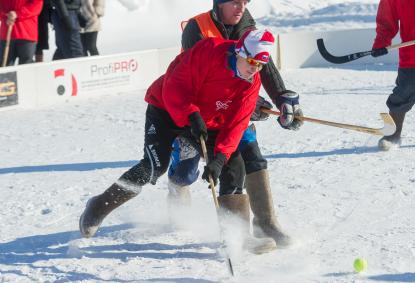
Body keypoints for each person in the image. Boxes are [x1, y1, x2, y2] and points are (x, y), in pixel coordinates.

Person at [79, 29, 278, 254]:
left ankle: (237, 235)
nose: (254, 68)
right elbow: (175, 84)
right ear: (239, 52)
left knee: (233, 165)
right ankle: (99, 205)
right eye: (251, 61)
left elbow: (236, 124)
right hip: (167, 106)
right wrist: (191, 114)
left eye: (260, 65)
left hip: (208, 121)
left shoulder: (251, 82)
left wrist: (219, 158)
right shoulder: (210, 51)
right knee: (154, 166)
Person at [167, 0, 302, 248]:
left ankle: (263, 225)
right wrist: (250, 103)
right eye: (235, 2)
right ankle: (177, 184)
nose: (241, 7)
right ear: (219, 3)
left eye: (245, 2)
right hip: (200, 113)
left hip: (233, 112)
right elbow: (198, 78)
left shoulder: (246, 23)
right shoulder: (197, 28)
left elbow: (263, 63)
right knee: (187, 171)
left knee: (252, 157)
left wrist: (281, 96)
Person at [372, 0, 415, 151]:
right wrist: (381, 42)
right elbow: (386, 18)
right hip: (413, 50)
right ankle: (393, 134)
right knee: (404, 91)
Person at [0, 0, 43, 66]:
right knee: (6, 67)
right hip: (6, 33)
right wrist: (6, 15)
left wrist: (18, 13)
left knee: (26, 66)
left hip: (26, 33)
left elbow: (37, 5)